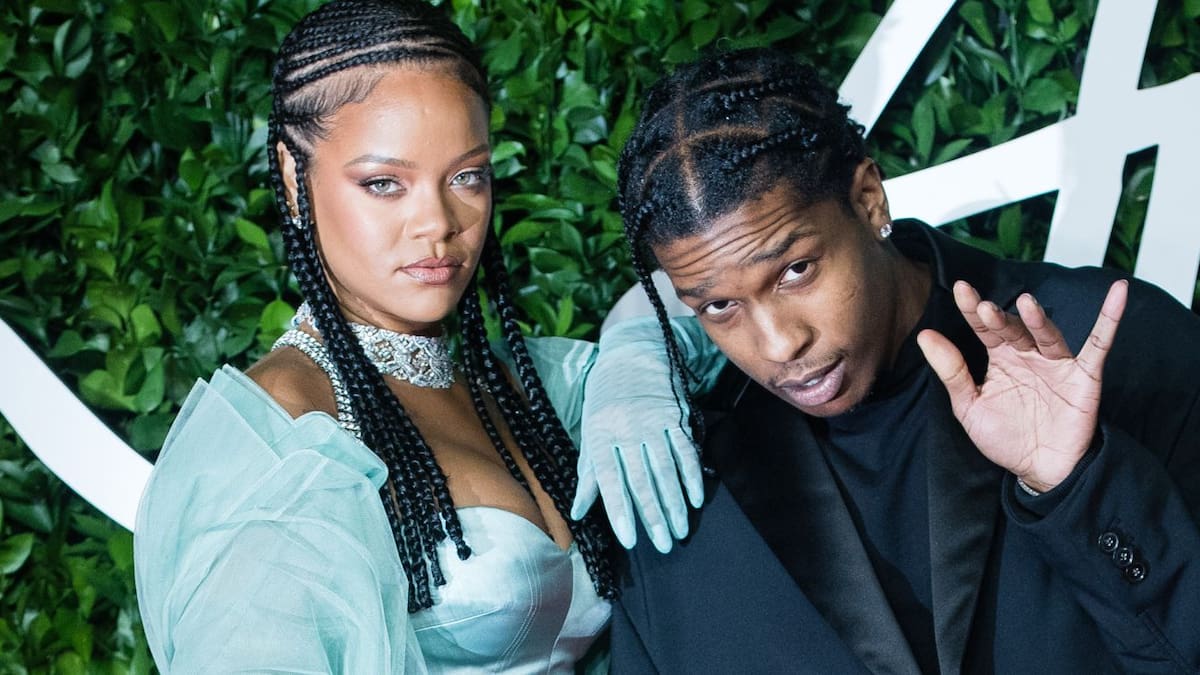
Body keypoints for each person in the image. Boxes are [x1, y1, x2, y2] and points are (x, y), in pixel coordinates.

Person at [132, 1, 710, 672]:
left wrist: (637, 351)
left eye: (467, 176)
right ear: (294, 179)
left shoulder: (519, 389)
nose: (437, 222)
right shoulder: (287, 452)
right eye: (384, 183)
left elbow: (728, 308)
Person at [598, 47, 1200, 673]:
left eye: (796, 270)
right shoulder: (683, 490)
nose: (778, 345)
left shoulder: (1110, 341)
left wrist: (1079, 489)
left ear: (868, 201)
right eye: (719, 306)